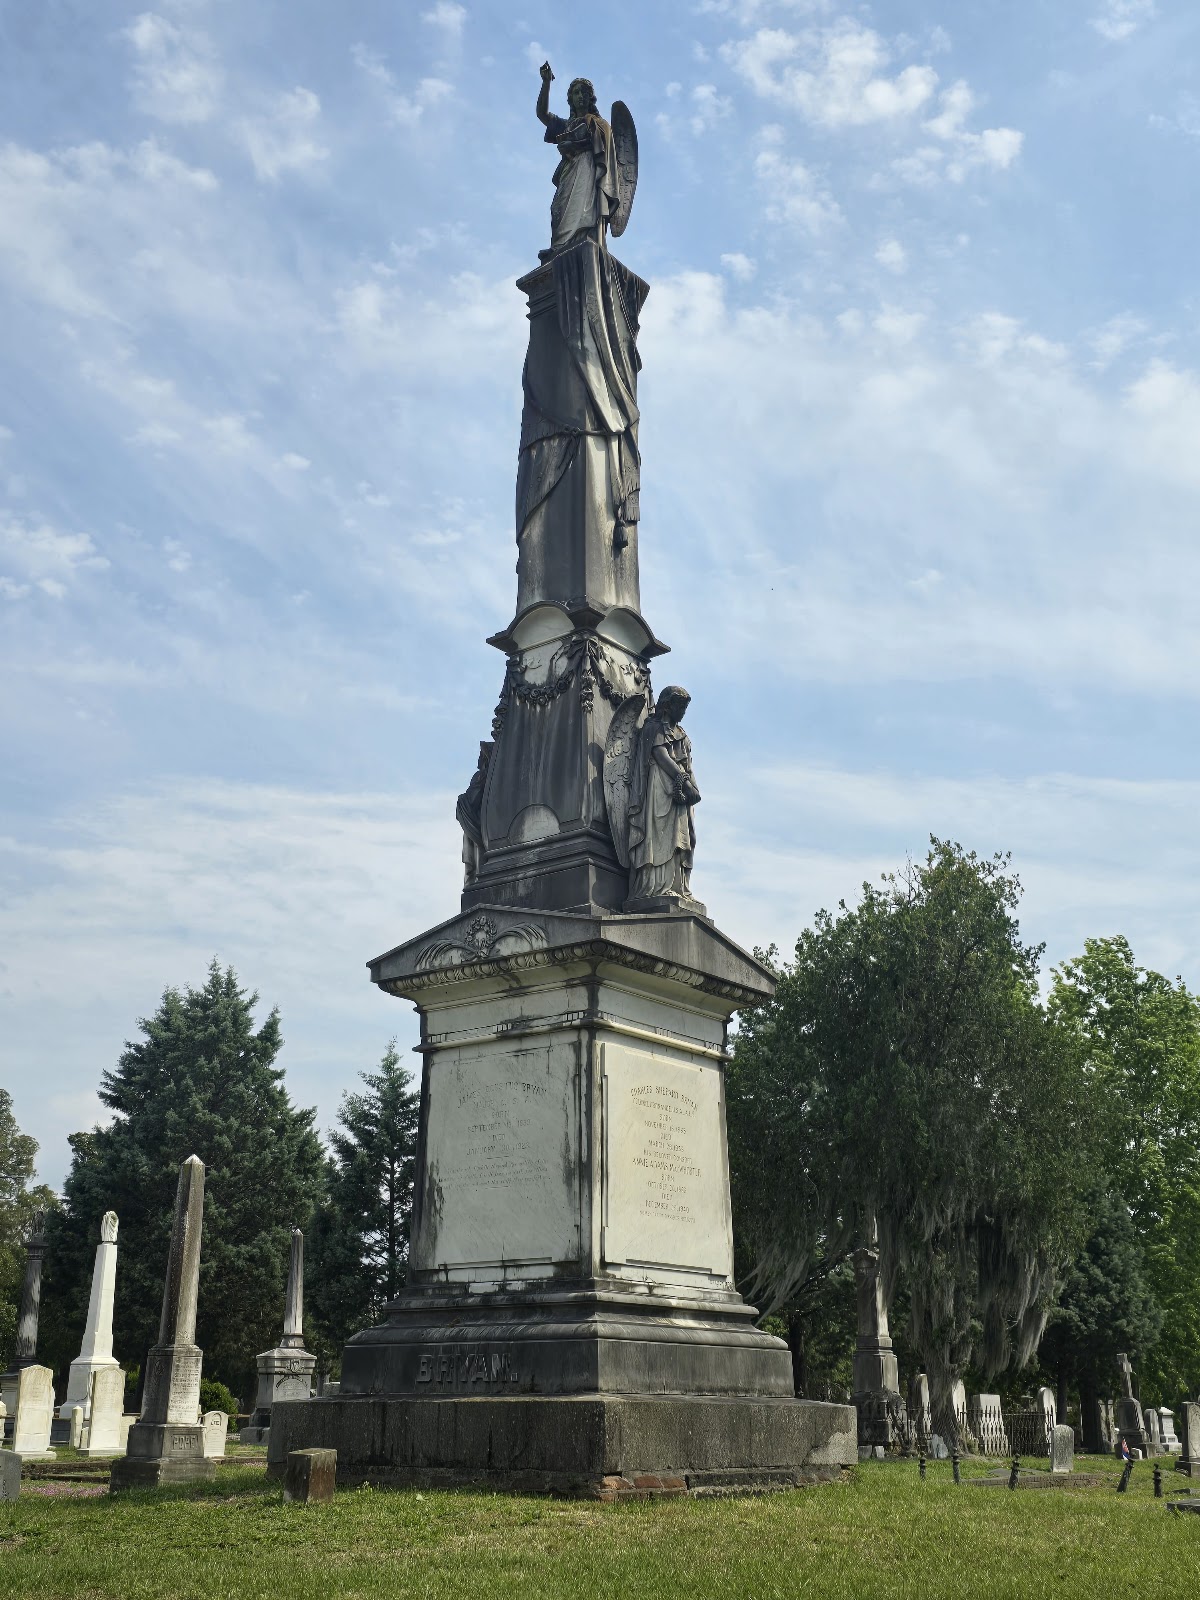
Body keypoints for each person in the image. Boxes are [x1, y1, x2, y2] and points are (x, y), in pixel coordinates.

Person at [536, 62, 620, 258]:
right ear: (570, 99)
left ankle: (582, 241)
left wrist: (577, 145)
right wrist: (546, 83)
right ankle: (560, 246)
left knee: (583, 208)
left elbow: (604, 151)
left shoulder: (599, 124)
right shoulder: (567, 125)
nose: (580, 96)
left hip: (588, 169)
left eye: (584, 92)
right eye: (576, 93)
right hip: (569, 170)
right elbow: (542, 114)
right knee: (558, 207)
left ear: (591, 97)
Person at [626, 686, 701, 905]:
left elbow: (688, 765)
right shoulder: (654, 728)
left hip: (681, 793)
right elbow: (661, 755)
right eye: (681, 707)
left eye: (686, 708)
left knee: (684, 837)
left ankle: (679, 886)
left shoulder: (682, 735)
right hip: (661, 786)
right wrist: (685, 783)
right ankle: (657, 886)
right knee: (661, 835)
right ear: (667, 706)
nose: (684, 712)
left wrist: (693, 787)